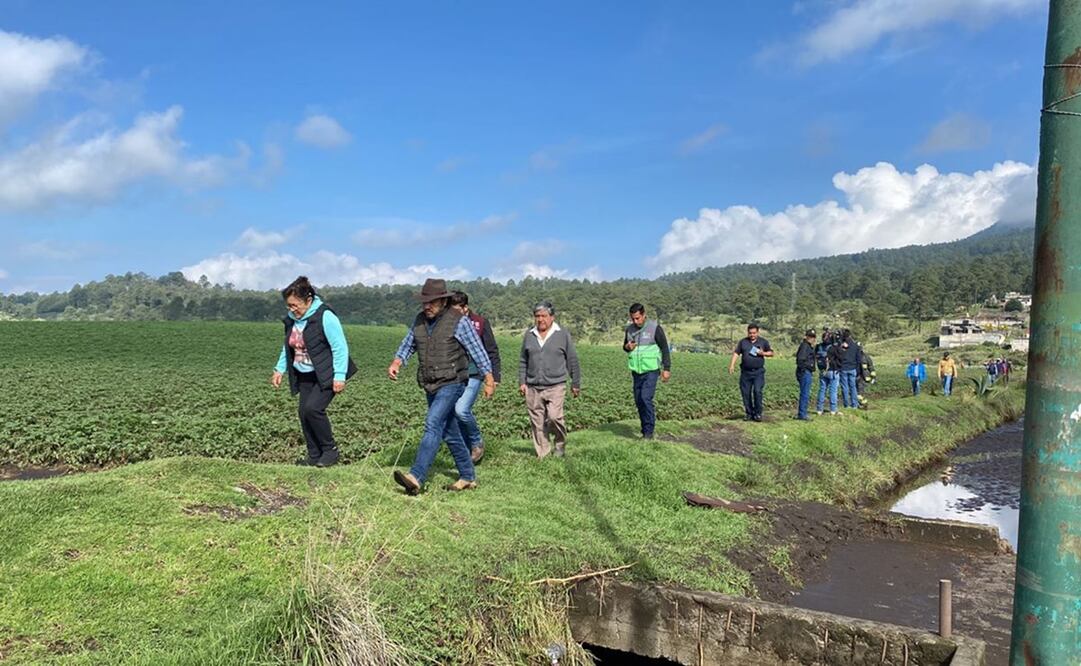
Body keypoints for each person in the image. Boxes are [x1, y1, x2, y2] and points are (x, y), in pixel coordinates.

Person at [387, 279, 495, 495]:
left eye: (431, 302)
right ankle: (468, 476)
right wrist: (398, 361)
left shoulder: (458, 321)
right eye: (424, 302)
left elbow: (477, 350)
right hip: (430, 382)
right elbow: (409, 343)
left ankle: (416, 476)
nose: (427, 306)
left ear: (443, 301)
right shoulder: (420, 320)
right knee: (449, 431)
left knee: (433, 423)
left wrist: (489, 378)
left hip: (453, 381)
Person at [271, 276, 358, 467]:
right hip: (305, 374)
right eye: (288, 306)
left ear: (308, 300)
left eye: (295, 305)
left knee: (314, 409)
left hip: (326, 373)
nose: (292, 309)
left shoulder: (325, 316)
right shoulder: (292, 320)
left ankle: (330, 451)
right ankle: (313, 455)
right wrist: (279, 369)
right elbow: (289, 347)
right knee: (303, 412)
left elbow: (340, 347)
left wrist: (340, 376)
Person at [519, 301, 582, 458]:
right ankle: (544, 454)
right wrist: (522, 381)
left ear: (552, 317)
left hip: (556, 385)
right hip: (533, 386)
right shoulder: (529, 335)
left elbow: (572, 359)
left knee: (554, 417)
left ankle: (560, 444)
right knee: (537, 422)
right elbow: (523, 360)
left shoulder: (562, 334)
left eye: (544, 316)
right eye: (537, 316)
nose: (540, 319)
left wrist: (575, 382)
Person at [449, 291, 501, 463]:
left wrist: (494, 378)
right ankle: (467, 451)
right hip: (455, 374)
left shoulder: (480, 322)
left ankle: (477, 441)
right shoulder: (448, 323)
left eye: (456, 310)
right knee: (455, 414)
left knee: (461, 410)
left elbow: (492, 350)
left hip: (475, 373)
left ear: (465, 308)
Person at [623, 303, 672, 439]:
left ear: (644, 315)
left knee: (645, 398)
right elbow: (625, 347)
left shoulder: (655, 329)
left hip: (651, 370)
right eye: (633, 318)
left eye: (638, 318)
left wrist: (666, 368)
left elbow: (664, 349)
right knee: (639, 400)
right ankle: (644, 429)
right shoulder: (629, 330)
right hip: (636, 371)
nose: (635, 321)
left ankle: (649, 432)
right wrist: (628, 346)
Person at [729, 323, 774, 421]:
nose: (752, 335)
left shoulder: (763, 342)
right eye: (750, 333)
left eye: (754, 333)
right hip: (745, 372)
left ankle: (758, 413)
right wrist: (732, 365)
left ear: (758, 332)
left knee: (757, 391)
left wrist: (763, 353)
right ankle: (749, 413)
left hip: (758, 372)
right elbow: (736, 353)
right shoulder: (743, 342)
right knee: (746, 393)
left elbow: (771, 353)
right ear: (747, 333)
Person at [815, 329, 839, 416]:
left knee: (822, 390)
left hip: (822, 370)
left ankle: (819, 409)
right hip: (832, 371)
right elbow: (839, 357)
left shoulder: (818, 347)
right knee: (833, 391)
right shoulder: (833, 347)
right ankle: (833, 410)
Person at [795, 329, 816, 420]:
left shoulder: (808, 346)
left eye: (813, 337)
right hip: (805, 372)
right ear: (806, 336)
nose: (811, 338)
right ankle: (802, 414)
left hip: (806, 371)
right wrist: (805, 369)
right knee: (805, 393)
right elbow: (800, 360)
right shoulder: (805, 346)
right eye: (810, 336)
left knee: (805, 392)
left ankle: (803, 413)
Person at [837, 329, 861, 409]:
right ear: (850, 335)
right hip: (853, 368)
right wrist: (858, 369)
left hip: (843, 368)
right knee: (853, 387)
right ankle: (854, 404)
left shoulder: (841, 345)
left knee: (845, 387)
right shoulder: (855, 345)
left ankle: (846, 405)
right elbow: (858, 358)